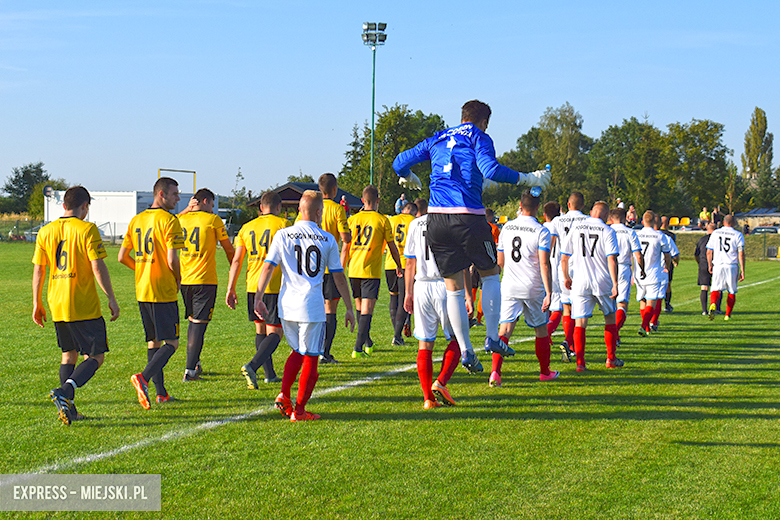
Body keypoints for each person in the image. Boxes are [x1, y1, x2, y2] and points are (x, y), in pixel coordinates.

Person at [392, 99, 550, 373]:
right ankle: (491, 337)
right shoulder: (479, 136)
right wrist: (528, 178)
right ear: (484, 121)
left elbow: (399, 162)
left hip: (437, 219)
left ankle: (466, 350)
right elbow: (490, 169)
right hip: (468, 216)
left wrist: (408, 176)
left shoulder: (439, 137)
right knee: (490, 273)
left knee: (453, 287)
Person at [254, 190, 355, 421]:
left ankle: (284, 395)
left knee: (298, 352)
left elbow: (268, 267)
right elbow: (338, 276)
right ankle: (299, 410)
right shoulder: (327, 238)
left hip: (286, 305)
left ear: (300, 209)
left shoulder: (282, 234)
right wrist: (349, 307)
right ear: (319, 212)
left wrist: (258, 297)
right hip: (311, 305)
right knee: (310, 358)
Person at [33, 186, 120, 425]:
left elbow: (39, 269)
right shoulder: (87, 229)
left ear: (63, 205)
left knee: (68, 354)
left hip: (56, 302)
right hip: (82, 302)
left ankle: (69, 410)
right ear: (85, 206)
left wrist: (36, 302)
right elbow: (97, 266)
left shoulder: (46, 231)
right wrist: (111, 297)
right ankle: (66, 390)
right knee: (96, 356)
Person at [119, 177, 184, 408]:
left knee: (153, 342)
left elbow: (122, 256)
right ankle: (143, 378)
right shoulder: (169, 220)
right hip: (162, 289)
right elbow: (171, 258)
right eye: (175, 194)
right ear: (161, 195)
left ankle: (161, 393)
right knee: (172, 343)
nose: (178, 198)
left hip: (143, 288)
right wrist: (177, 277)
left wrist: (143, 268)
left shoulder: (137, 220)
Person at [227, 190, 291, 388]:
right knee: (275, 333)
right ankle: (253, 366)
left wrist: (230, 287)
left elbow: (237, 260)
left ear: (261, 207)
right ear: (279, 208)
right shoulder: (283, 224)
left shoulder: (247, 227)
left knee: (260, 329)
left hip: (253, 284)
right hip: (273, 284)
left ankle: (269, 374)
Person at [403, 201, 463, 409]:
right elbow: (460, 262)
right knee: (459, 337)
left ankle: (428, 398)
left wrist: (408, 292)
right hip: (445, 284)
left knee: (425, 344)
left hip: (421, 286)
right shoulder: (450, 222)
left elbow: (409, 262)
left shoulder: (415, 224)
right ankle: (441, 382)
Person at [495, 191, 558, 385]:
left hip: (510, 285)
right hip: (533, 286)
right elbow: (544, 263)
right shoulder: (541, 230)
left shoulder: (507, 227)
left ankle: (495, 373)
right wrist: (549, 292)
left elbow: (501, 261)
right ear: (538, 207)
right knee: (540, 330)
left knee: (504, 330)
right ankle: (544, 371)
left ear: (520, 206)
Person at [177, 188, 235, 382]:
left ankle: (195, 362)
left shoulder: (181, 220)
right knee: (198, 325)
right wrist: (234, 268)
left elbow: (173, 220)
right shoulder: (213, 221)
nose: (212, 208)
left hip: (185, 280)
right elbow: (228, 249)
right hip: (205, 280)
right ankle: (190, 371)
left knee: (194, 321)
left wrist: (186, 210)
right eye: (211, 204)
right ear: (204, 201)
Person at [295, 174, 351, 364]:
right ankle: (324, 352)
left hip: (310, 267)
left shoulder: (309, 207)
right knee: (330, 310)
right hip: (329, 268)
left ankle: (309, 348)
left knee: (311, 308)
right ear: (335, 190)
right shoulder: (337, 209)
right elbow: (346, 238)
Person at [560, 201, 622, 370]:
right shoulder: (608, 230)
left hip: (580, 281)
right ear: (606, 216)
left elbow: (564, 257)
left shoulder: (576, 228)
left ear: (591, 212)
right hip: (602, 281)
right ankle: (611, 358)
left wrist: (566, 276)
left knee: (580, 322)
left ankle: (580, 363)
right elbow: (611, 258)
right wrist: (615, 283)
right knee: (609, 317)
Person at [343, 185, 402, 358]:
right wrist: (399, 264)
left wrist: (341, 266)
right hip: (370, 271)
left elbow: (345, 247)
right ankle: (358, 348)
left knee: (360, 308)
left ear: (362, 200)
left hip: (353, 269)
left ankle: (367, 343)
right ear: (377, 200)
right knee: (367, 311)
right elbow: (392, 246)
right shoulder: (382, 220)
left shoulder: (353, 219)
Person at [551, 192, 589, 362]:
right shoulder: (587, 220)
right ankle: (570, 344)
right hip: (581, 267)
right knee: (579, 311)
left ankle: (569, 343)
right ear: (582, 205)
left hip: (563, 266)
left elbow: (550, 243)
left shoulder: (557, 221)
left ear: (568, 204)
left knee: (566, 308)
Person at [608, 208, 644, 345]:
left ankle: (613, 336)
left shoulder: (606, 230)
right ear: (624, 219)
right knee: (621, 304)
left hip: (607, 267)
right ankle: (614, 334)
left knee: (610, 307)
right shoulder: (630, 232)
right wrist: (641, 269)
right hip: (623, 267)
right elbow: (638, 255)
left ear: (611, 218)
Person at [634, 211, 671, 336]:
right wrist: (667, 266)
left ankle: (646, 327)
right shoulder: (660, 236)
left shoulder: (636, 235)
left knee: (642, 300)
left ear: (642, 221)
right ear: (654, 222)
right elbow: (667, 255)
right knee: (652, 301)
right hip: (654, 272)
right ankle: (644, 326)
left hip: (639, 273)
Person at [386, 201, 417, 346]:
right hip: (405, 264)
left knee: (393, 297)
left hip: (389, 264)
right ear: (413, 212)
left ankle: (397, 332)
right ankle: (397, 335)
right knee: (404, 300)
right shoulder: (414, 222)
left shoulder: (391, 220)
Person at [707, 215, 746, 321]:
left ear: (723, 222)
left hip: (718, 265)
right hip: (731, 265)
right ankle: (727, 315)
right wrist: (742, 270)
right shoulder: (738, 234)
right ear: (733, 223)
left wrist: (710, 265)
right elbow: (741, 253)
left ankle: (713, 303)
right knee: (731, 290)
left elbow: (709, 251)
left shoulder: (715, 233)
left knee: (715, 288)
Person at [542, 201, 564, 358]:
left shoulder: (541, 228)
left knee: (548, 303)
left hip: (542, 270)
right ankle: (546, 334)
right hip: (556, 268)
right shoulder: (559, 227)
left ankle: (545, 335)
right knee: (558, 307)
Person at [695, 223, 719, 315]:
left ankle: (704, 310)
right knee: (717, 287)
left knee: (704, 287)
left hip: (703, 264)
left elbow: (696, 254)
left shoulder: (701, 240)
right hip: (716, 264)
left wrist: (700, 263)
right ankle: (717, 308)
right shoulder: (717, 239)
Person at [659, 215, 679, 313]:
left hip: (653, 263)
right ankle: (667, 304)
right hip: (666, 262)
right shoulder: (670, 235)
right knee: (668, 284)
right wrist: (675, 261)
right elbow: (673, 251)